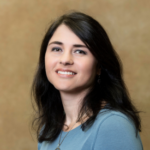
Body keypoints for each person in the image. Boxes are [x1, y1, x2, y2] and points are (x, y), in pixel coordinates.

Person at [31, 11, 143, 150]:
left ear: (99, 66)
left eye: (80, 51)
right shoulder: (49, 130)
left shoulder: (112, 126)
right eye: (57, 48)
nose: (65, 60)